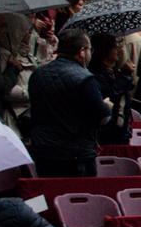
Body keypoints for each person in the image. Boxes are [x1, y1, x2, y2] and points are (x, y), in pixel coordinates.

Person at [27, 27, 109, 178]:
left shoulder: (38, 74)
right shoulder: (85, 78)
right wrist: (106, 106)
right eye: (90, 49)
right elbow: (103, 117)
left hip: (44, 152)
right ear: (82, 51)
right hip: (76, 156)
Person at [89, 32, 134, 146]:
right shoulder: (95, 75)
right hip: (107, 134)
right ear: (105, 50)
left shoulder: (112, 72)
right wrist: (124, 75)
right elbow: (111, 95)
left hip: (120, 130)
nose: (118, 49)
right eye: (115, 46)